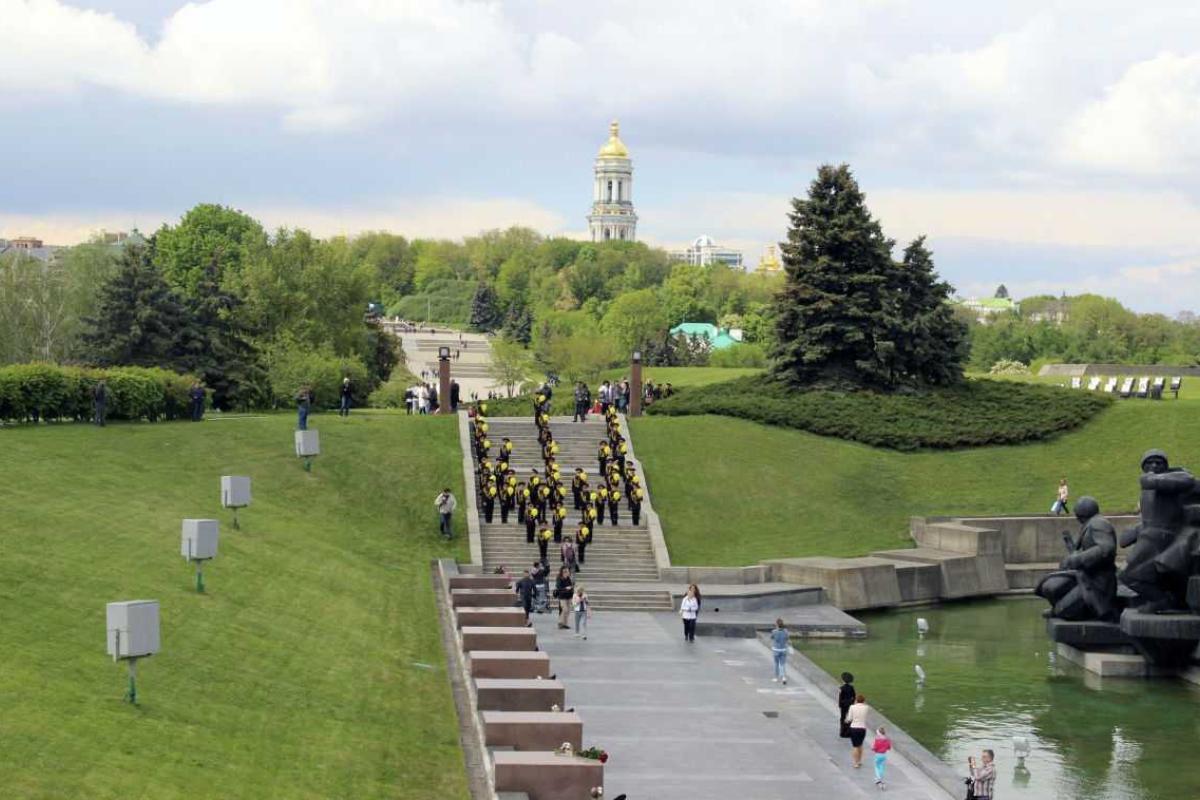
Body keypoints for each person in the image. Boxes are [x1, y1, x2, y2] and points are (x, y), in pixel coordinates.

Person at [844, 694, 870, 768]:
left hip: (854, 728)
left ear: (856, 700)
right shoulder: (866, 708)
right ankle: (859, 760)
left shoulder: (852, 707)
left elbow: (849, 718)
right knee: (860, 744)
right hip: (862, 728)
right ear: (864, 701)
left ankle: (855, 763)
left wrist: (846, 720)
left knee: (855, 746)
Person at [769, 618, 789, 684]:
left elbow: (771, 637)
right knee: (782, 664)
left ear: (777, 624)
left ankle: (776, 678)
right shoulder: (786, 631)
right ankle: (784, 677)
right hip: (783, 649)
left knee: (776, 664)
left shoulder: (774, 631)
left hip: (776, 649)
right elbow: (787, 638)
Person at [838, 672, 856, 738]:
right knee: (849, 718)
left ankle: (842, 732)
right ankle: (848, 732)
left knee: (843, 718)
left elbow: (840, 697)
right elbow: (854, 696)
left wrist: (840, 705)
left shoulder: (841, 688)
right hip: (850, 704)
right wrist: (852, 702)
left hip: (843, 705)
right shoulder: (851, 687)